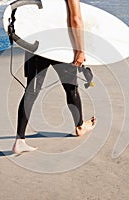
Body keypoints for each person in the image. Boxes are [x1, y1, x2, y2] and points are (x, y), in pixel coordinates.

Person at [12, 0, 96, 154]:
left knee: (31, 90)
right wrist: (80, 50)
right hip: (59, 45)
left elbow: (27, 13)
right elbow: (75, 19)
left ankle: (19, 141)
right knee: (71, 88)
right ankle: (79, 126)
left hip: (36, 43)